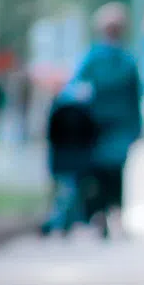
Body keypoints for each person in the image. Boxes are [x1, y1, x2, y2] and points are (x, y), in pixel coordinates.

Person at [74, 2, 144, 238]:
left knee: (104, 173)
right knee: (112, 173)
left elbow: (76, 90)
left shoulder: (97, 58)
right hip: (105, 127)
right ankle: (109, 215)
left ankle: (105, 215)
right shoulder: (124, 60)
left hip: (105, 127)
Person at [39, 82, 99, 237]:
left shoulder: (59, 111)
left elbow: (51, 137)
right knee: (69, 195)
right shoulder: (85, 113)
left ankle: (60, 223)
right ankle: (58, 224)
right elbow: (91, 139)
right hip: (76, 161)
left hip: (62, 160)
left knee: (63, 194)